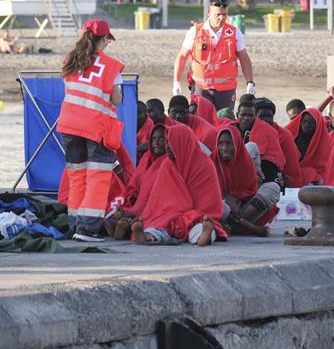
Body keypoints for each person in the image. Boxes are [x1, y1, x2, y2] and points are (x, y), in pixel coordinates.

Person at [57, 19, 124, 242]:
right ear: (104, 39)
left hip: (70, 125)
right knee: (98, 178)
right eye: (107, 40)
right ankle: (88, 229)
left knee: (77, 176)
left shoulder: (69, 61)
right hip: (97, 128)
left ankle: (75, 224)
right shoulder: (111, 67)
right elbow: (116, 99)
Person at [134, 124, 225, 245]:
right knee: (157, 226)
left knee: (200, 227)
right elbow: (158, 201)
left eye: (170, 142)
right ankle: (147, 236)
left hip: (197, 217)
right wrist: (173, 214)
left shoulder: (205, 164)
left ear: (183, 142)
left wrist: (188, 215)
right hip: (170, 216)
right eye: (166, 142)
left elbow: (209, 202)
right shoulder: (166, 165)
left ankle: (204, 236)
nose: (166, 147)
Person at [173, 0, 255, 111]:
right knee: (200, 123)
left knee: (225, 123)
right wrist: (176, 81)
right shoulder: (195, 32)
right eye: (218, 14)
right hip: (201, 88)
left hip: (226, 90)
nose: (221, 18)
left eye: (225, 15)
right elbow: (182, 56)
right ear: (209, 12)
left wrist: (250, 82)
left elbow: (244, 58)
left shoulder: (234, 34)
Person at [213, 125, 280, 236]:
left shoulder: (244, 162)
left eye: (229, 144)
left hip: (243, 208)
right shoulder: (212, 162)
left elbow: (250, 190)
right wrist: (226, 197)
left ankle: (235, 226)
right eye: (220, 144)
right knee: (219, 203)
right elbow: (208, 192)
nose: (224, 148)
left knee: (273, 188)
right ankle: (246, 226)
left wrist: (235, 199)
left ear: (237, 144)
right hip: (223, 211)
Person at [253, 97, 303, 188]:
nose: (266, 120)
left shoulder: (284, 135)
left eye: (269, 116)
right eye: (262, 116)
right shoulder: (247, 132)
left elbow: (292, 169)